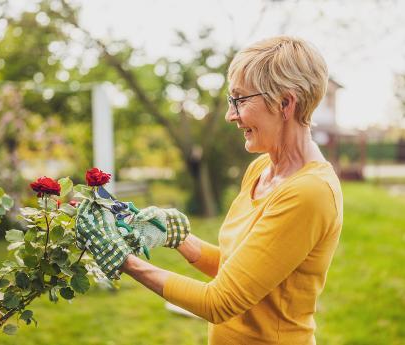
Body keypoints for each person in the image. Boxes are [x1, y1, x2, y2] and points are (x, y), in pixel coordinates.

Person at [76, 36, 343, 345]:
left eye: (240, 100)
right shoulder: (260, 169)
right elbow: (242, 273)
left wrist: (123, 260)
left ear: (285, 103)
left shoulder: (310, 192)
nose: (231, 114)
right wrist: (178, 238)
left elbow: (220, 301)